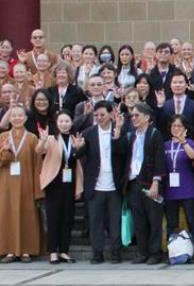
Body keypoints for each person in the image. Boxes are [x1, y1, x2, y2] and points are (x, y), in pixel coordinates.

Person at [75, 101, 125, 264]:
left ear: (111, 114)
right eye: (96, 115)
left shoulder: (119, 130)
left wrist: (117, 136)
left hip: (114, 184)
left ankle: (116, 252)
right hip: (95, 184)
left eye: (103, 115)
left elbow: (124, 152)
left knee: (115, 221)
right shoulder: (89, 133)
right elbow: (78, 155)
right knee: (95, 221)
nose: (99, 118)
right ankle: (97, 253)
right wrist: (77, 148)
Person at [120, 103, 166, 265]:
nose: (133, 118)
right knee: (139, 220)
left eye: (137, 115)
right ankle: (142, 252)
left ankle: (155, 253)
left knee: (154, 219)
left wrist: (156, 182)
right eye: (132, 116)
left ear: (147, 117)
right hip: (133, 182)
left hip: (149, 181)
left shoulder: (154, 134)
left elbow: (159, 160)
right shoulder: (131, 135)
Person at [36, 110, 83, 264]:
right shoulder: (51, 139)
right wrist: (42, 140)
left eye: (67, 121)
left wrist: (78, 149)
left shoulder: (75, 139)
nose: (64, 124)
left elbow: (77, 163)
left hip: (69, 183)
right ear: (56, 123)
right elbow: (39, 150)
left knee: (67, 218)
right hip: (54, 183)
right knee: (53, 218)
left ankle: (64, 251)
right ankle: (52, 251)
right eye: (61, 121)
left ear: (71, 123)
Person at [0, 104, 41, 262]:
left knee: (27, 215)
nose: (17, 118)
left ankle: (26, 250)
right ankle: (9, 250)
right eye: (14, 116)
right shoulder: (3, 137)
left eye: (20, 115)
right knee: (7, 216)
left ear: (25, 118)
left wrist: (38, 189)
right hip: (6, 184)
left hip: (26, 182)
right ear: (9, 119)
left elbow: (37, 165)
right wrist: (6, 151)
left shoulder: (32, 138)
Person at [163, 115, 194, 262]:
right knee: (171, 224)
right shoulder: (165, 145)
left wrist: (183, 141)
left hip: (187, 189)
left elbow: (192, 156)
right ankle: (171, 252)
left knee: (192, 222)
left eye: (179, 126)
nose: (176, 128)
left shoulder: (189, 142)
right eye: (173, 126)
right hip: (170, 190)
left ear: (185, 128)